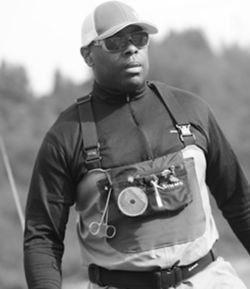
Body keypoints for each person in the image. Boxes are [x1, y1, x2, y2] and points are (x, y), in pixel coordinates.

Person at [23, 1, 250, 289]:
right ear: (87, 56)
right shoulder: (66, 136)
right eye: (115, 42)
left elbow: (239, 202)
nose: (131, 49)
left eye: (139, 38)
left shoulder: (192, 110)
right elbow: (42, 238)